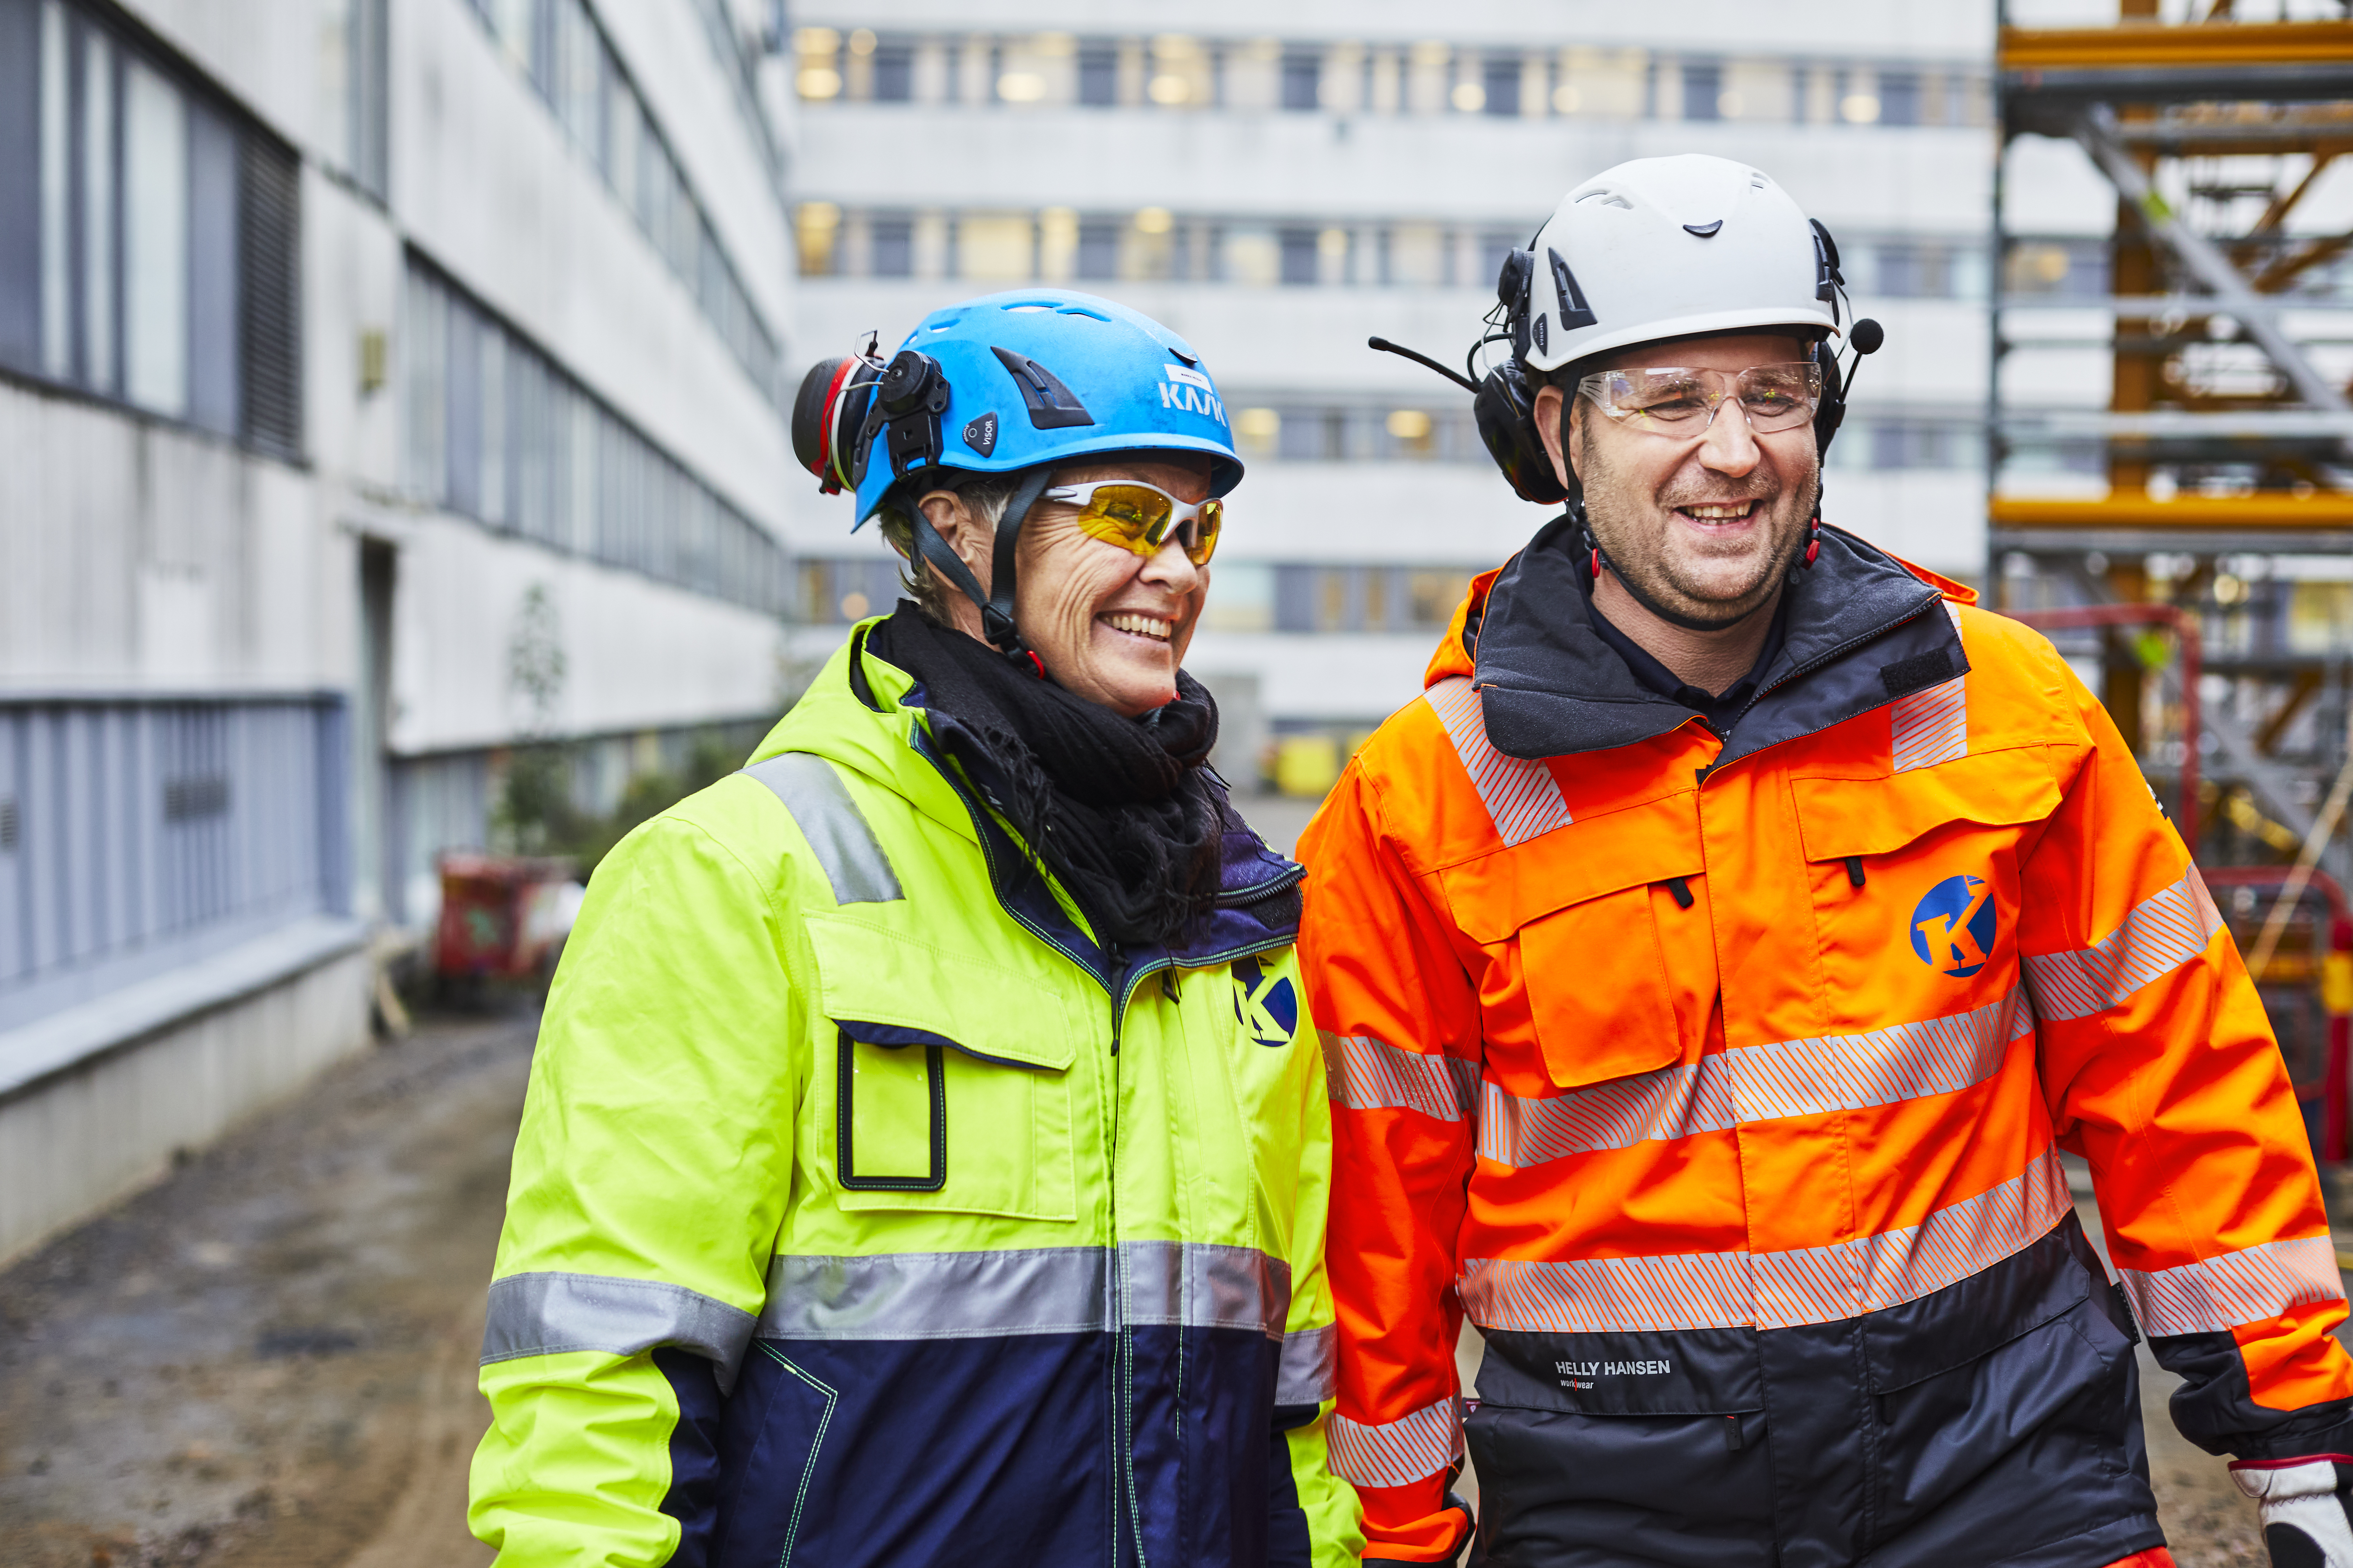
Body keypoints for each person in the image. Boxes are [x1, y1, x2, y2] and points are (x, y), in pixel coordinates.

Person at [1298, 153, 2353, 1568]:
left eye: (1773, 396)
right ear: (1551, 432)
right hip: (1621, 1508)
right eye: (1668, 399)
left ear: (1824, 412)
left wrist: (2297, 1451)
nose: (1731, 451)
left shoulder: (2005, 708)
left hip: (2006, 1468)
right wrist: (1402, 1533)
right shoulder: (1420, 800)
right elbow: (1380, 1220)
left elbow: (2174, 1081)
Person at [467, 288, 1361, 1568]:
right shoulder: (732, 879)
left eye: (1199, 525)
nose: (1178, 566)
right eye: (1123, 513)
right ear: (953, 530)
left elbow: (1297, 1403)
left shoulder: (1235, 924)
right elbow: (598, 1391)